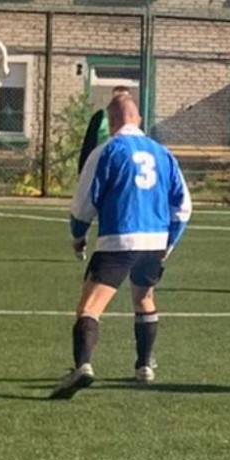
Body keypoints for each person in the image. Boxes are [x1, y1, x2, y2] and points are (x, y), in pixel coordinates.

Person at [50, 96, 192, 400]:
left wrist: (78, 235)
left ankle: (82, 366)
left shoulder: (107, 150)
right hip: (154, 242)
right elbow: (183, 206)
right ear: (138, 119)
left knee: (89, 307)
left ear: (111, 122)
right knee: (144, 299)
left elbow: (83, 204)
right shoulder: (163, 153)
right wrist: (169, 243)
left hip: (119, 240)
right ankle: (144, 365)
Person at [77, 85, 131, 174]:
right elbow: (89, 142)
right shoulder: (101, 116)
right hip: (101, 161)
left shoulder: (133, 119)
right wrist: (83, 169)